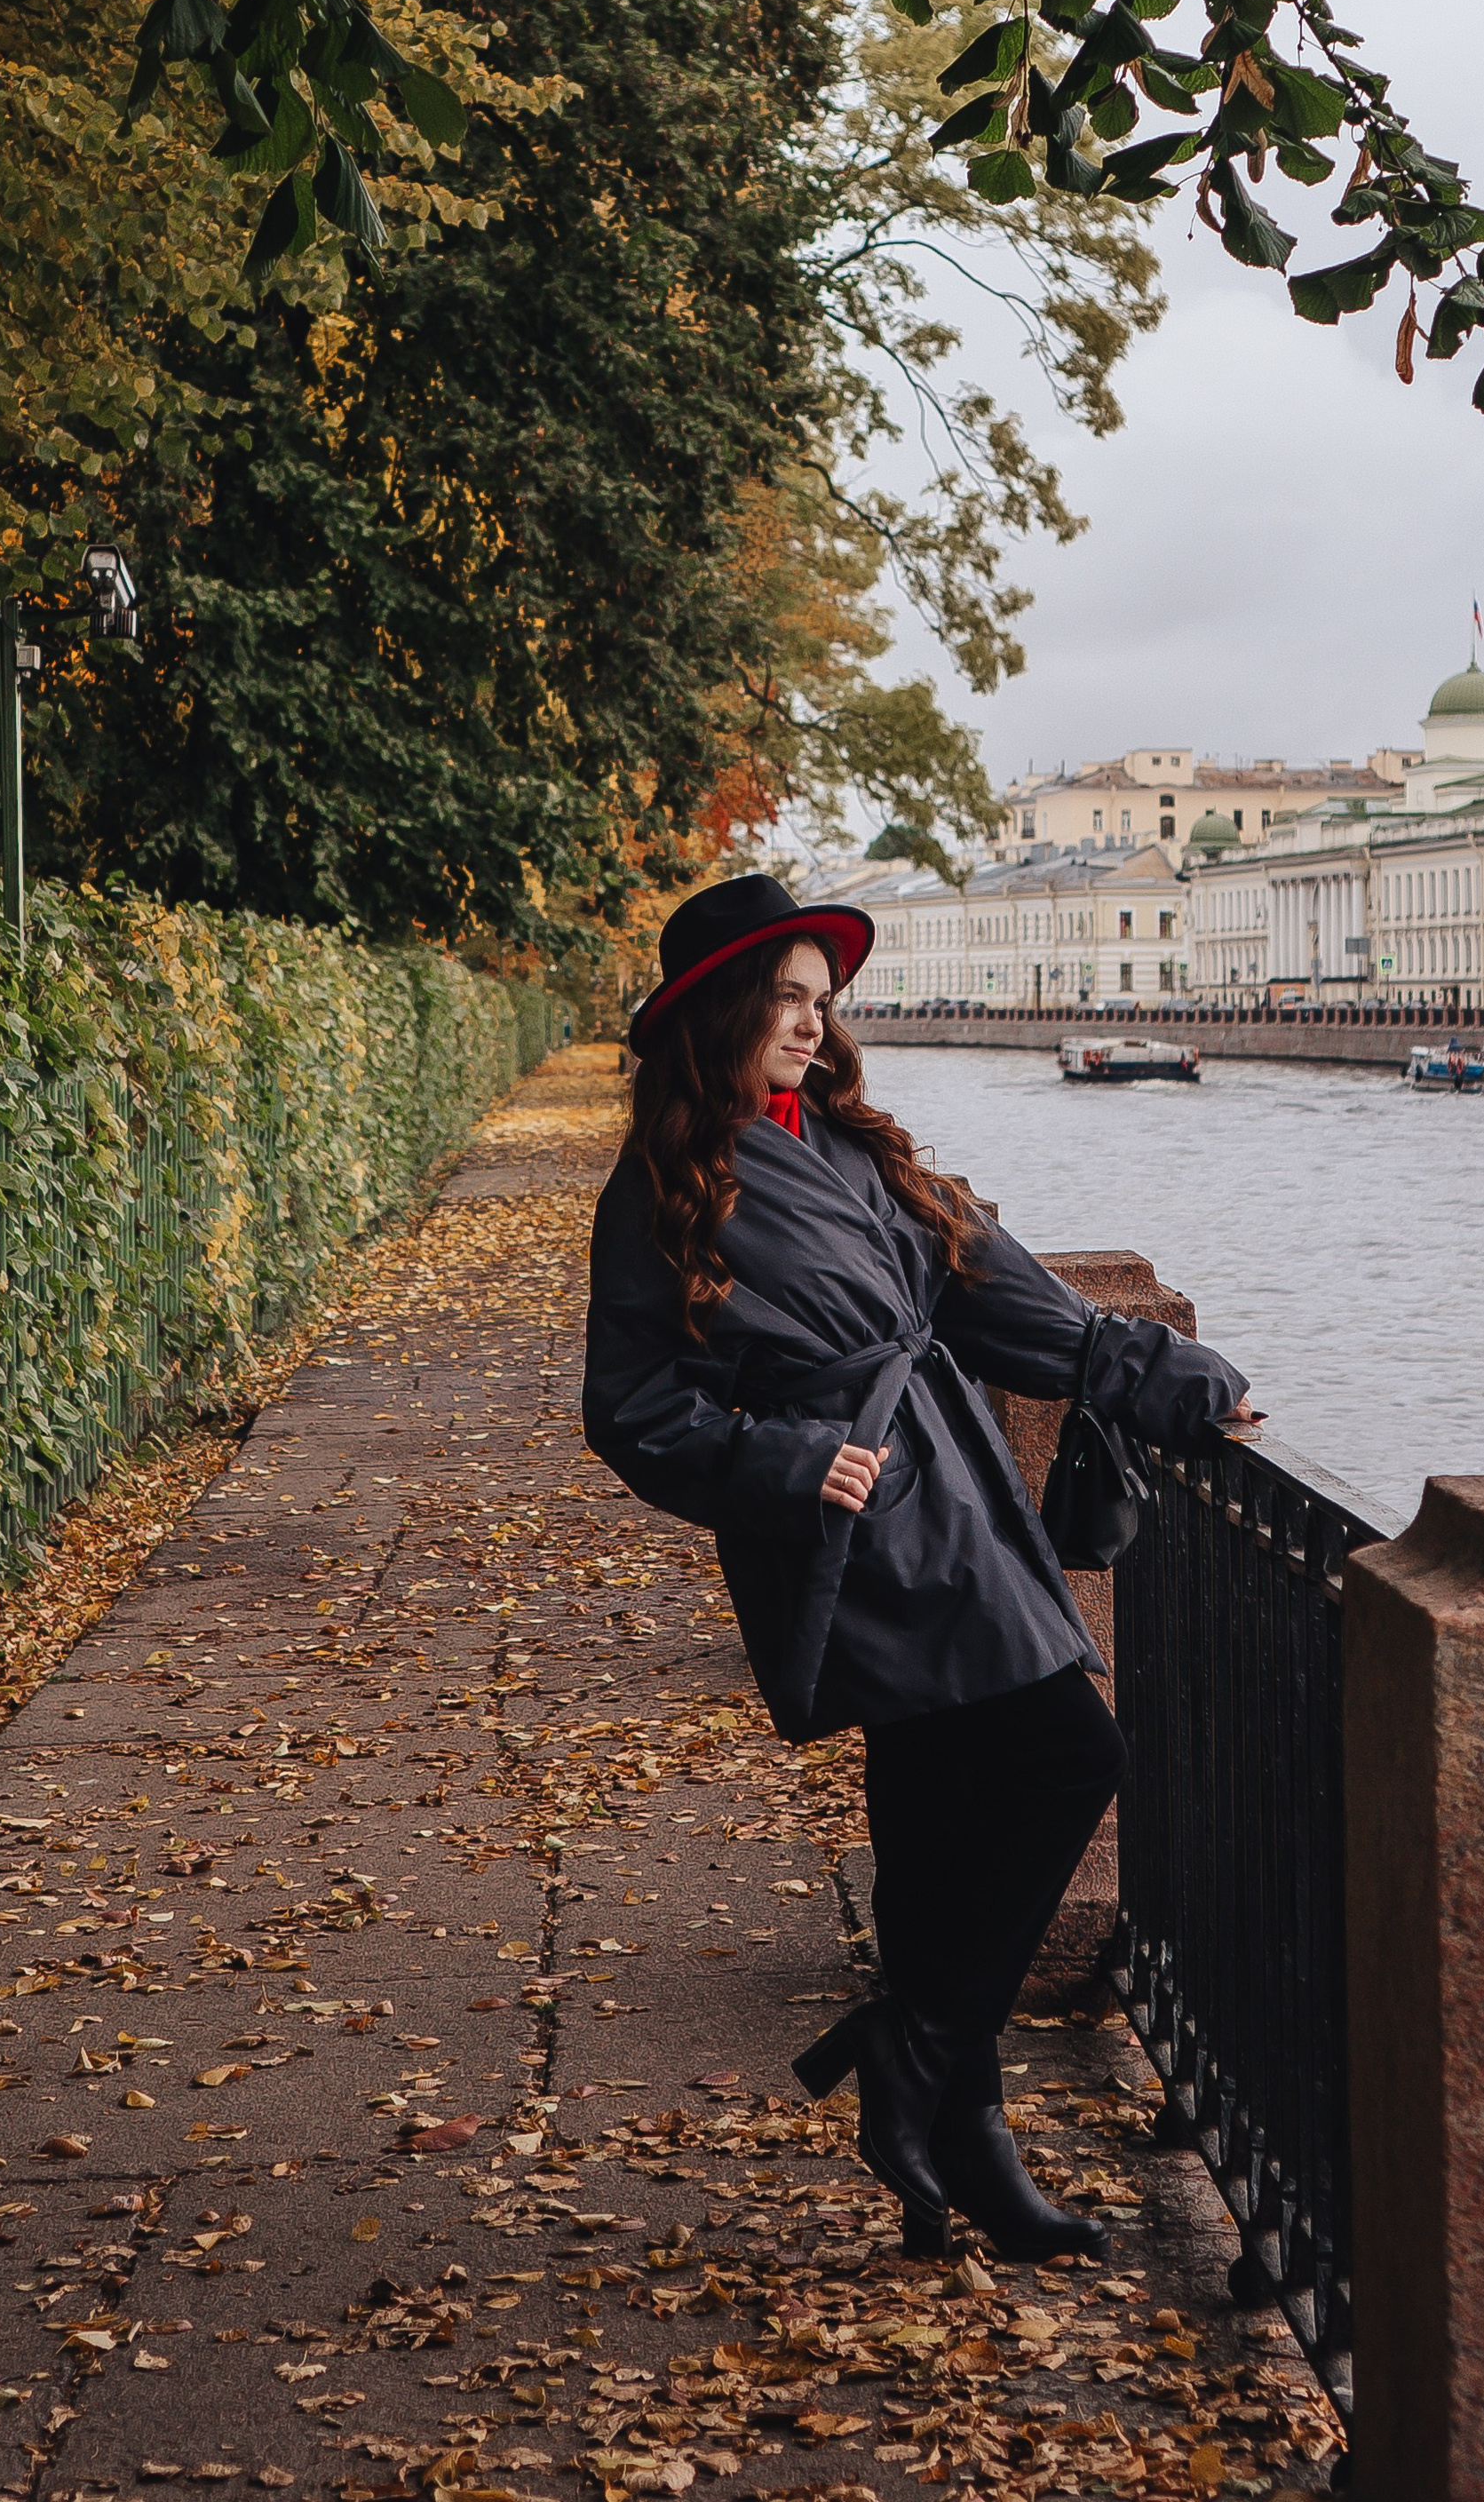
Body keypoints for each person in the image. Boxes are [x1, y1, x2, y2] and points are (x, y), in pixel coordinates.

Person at [583, 873, 1253, 2261]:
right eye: (790, 1001)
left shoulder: (856, 1148)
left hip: (950, 1498)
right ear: (722, 1011)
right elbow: (633, 1409)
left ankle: (958, 2137)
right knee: (1071, 1756)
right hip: (854, 1527)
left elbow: (1000, 1295)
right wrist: (773, 1464)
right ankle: (917, 2054)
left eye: (825, 1007)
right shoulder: (659, 1185)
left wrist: (1166, 1374)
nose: (815, 1030)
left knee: (941, 1826)